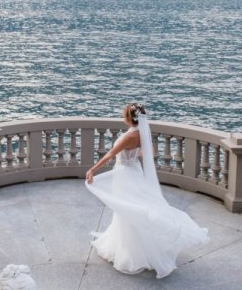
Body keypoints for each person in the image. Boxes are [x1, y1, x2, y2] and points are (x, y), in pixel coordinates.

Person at [86, 102, 209, 278]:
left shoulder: (129, 136)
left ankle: (130, 253)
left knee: (127, 210)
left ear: (129, 117)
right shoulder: (141, 133)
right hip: (134, 170)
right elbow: (149, 152)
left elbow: (110, 154)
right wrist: (134, 154)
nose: (122, 114)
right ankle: (129, 245)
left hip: (124, 175)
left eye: (124, 113)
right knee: (131, 209)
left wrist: (92, 170)